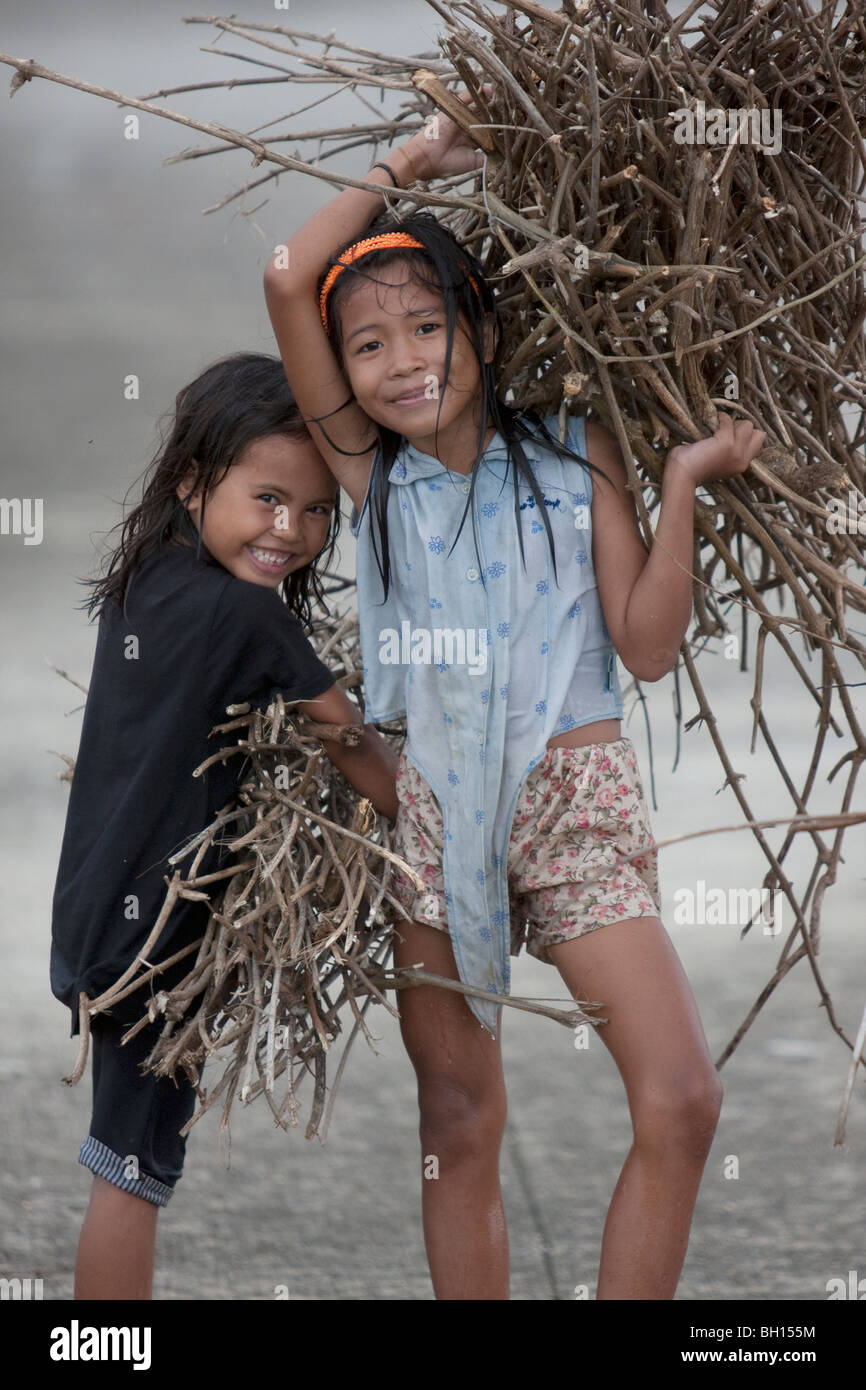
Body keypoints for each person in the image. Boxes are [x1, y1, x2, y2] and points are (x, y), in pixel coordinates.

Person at [263, 106, 766, 1300]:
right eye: (368, 344)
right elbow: (288, 275)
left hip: (573, 799)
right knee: (458, 1114)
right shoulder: (366, 473)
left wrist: (683, 483)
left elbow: (644, 648)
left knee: (682, 1098)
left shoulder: (566, 450)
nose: (401, 361)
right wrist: (412, 163)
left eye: (427, 325)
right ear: (344, 374)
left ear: (478, 328)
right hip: (437, 814)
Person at [51, 352, 400, 1299]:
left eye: (321, 508)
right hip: (156, 935)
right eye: (268, 499)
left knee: (130, 1158)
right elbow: (355, 747)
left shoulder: (147, 585)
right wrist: (428, 805)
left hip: (97, 909)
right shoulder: (250, 618)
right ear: (193, 482)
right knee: (131, 1170)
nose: (294, 530)